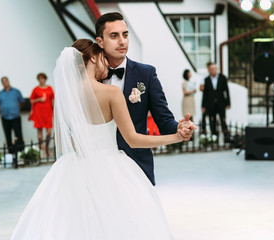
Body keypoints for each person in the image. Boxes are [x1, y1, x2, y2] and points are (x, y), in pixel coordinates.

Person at [11, 39, 197, 240]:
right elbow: (133, 139)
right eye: (102, 58)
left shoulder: (67, 96)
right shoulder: (110, 92)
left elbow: (72, 139)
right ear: (92, 58)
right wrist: (175, 137)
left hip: (73, 167)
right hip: (110, 166)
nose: (106, 64)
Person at [95, 12, 193, 185]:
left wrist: (179, 127)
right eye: (114, 36)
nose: (122, 41)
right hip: (98, 166)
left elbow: (163, 120)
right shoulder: (90, 77)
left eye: (125, 35)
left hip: (136, 164)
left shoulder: (146, 74)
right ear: (100, 41)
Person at [0, 77, 25, 154]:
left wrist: (16, 109)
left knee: (18, 134)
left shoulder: (16, 91)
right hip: (5, 117)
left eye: (6, 81)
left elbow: (21, 102)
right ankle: (11, 152)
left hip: (15, 116)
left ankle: (20, 152)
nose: (5, 83)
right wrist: (2, 110)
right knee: (8, 135)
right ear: (2, 83)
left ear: (8, 81)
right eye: (3, 82)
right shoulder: (0, 93)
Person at [202, 62, 231, 141]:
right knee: (212, 121)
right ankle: (214, 138)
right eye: (211, 69)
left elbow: (226, 91)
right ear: (209, 70)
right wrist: (203, 105)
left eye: (215, 68)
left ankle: (226, 137)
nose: (213, 70)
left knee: (223, 120)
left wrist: (228, 103)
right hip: (210, 104)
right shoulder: (207, 79)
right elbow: (205, 94)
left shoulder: (222, 78)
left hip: (221, 103)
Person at [29, 73, 54, 157]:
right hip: (39, 113)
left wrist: (54, 111)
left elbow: (52, 100)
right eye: (39, 78)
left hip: (48, 112)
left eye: (42, 78)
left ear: (45, 79)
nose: (41, 80)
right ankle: (42, 149)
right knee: (40, 134)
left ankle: (47, 148)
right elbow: (31, 101)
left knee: (49, 133)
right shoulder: (35, 89)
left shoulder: (50, 88)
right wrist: (39, 99)